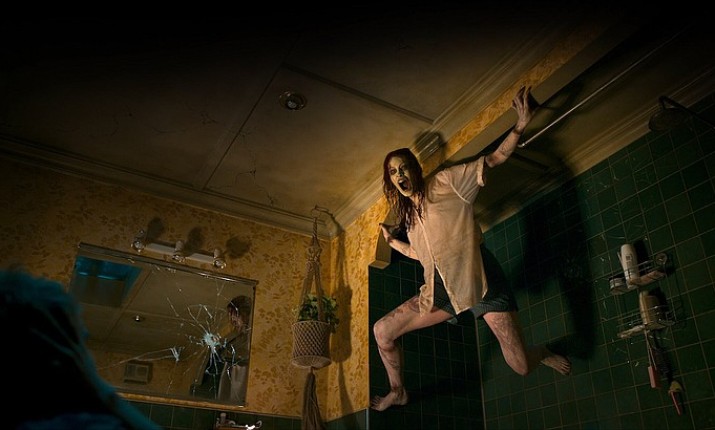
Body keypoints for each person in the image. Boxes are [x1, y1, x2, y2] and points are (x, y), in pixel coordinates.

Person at [371, 86, 571, 412]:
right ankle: (398, 391)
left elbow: (494, 159)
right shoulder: (409, 219)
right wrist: (394, 242)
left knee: (521, 366)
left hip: (480, 279)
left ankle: (542, 353)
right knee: (382, 331)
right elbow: (423, 256)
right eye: (393, 172)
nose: (400, 174)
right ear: (391, 181)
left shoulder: (446, 182)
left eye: (404, 167)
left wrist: (520, 125)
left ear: (415, 170)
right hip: (441, 289)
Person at [217, 295, 252, 404]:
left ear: (245, 314)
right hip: (232, 374)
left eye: (235, 314)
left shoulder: (250, 336)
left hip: (242, 376)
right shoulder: (236, 336)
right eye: (231, 315)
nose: (232, 319)